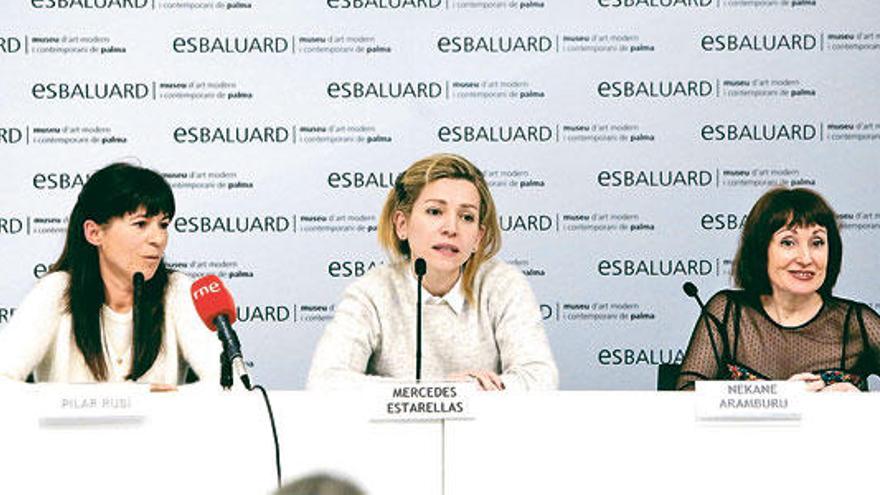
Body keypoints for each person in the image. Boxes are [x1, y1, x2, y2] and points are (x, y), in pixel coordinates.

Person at [307, 153, 558, 391]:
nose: (451, 228)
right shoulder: (373, 291)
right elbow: (325, 381)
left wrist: (468, 391)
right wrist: (440, 392)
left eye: (467, 217)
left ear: (478, 238)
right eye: (435, 212)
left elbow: (540, 379)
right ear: (402, 225)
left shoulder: (503, 284)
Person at [0, 163, 221, 386]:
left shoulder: (178, 291)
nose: (158, 239)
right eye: (141, 224)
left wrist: (176, 401)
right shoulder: (56, 291)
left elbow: (232, 386)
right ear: (94, 233)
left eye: (163, 225)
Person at [676, 187, 880, 391]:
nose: (806, 258)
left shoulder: (856, 323)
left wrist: (862, 404)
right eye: (788, 242)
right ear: (761, 250)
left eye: (817, 242)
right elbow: (684, 397)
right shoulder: (729, 313)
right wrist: (779, 396)